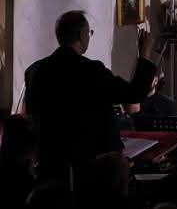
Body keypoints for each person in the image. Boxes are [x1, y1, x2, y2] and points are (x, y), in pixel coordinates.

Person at [24, 11, 159, 183]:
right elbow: (134, 94)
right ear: (81, 35)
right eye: (89, 32)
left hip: (49, 166)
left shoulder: (34, 71)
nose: (89, 36)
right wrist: (145, 54)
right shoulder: (91, 71)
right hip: (90, 167)